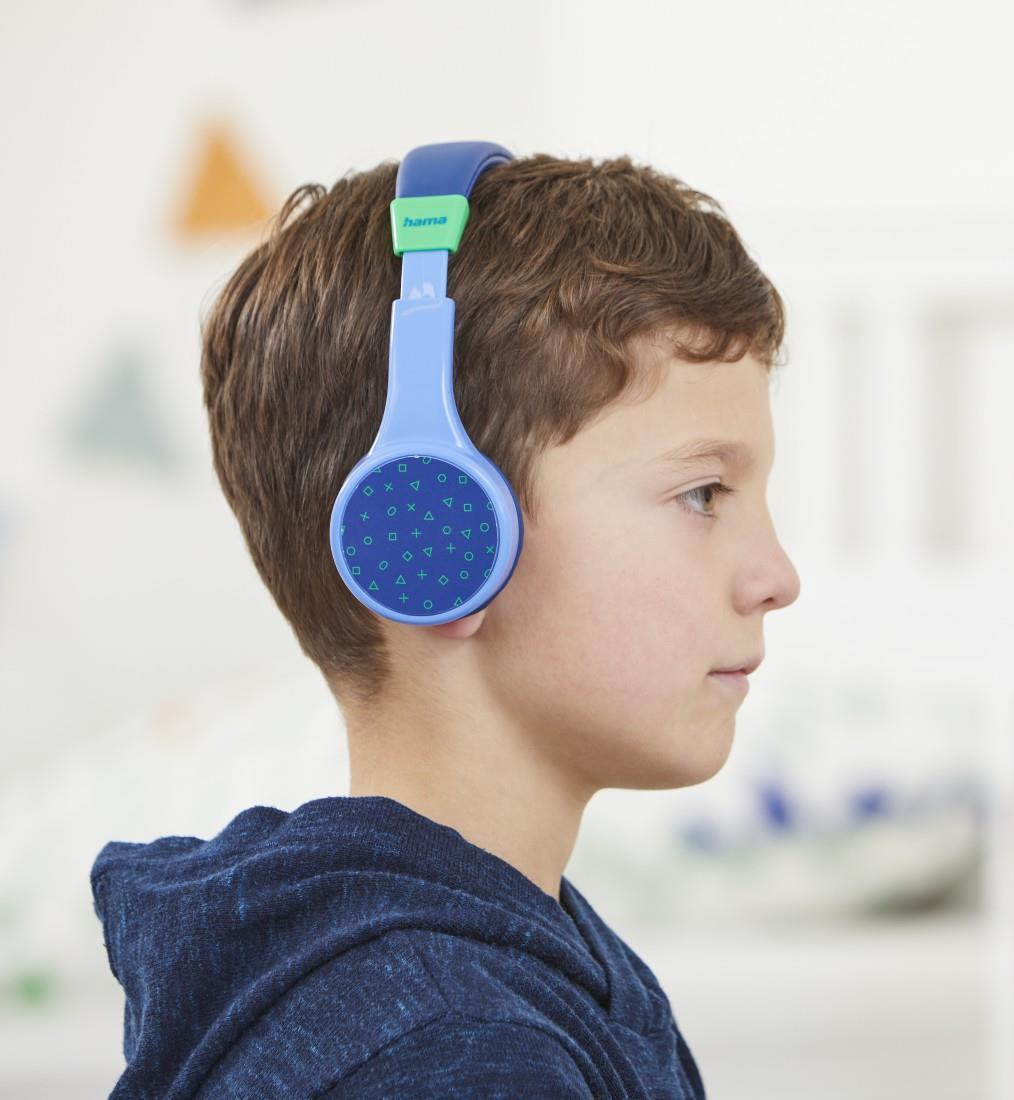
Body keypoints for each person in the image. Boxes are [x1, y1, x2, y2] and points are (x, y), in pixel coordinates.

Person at [90, 149, 800, 1098]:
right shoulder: (454, 1053)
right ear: (436, 538)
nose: (777, 578)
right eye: (703, 492)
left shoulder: (505, 962)